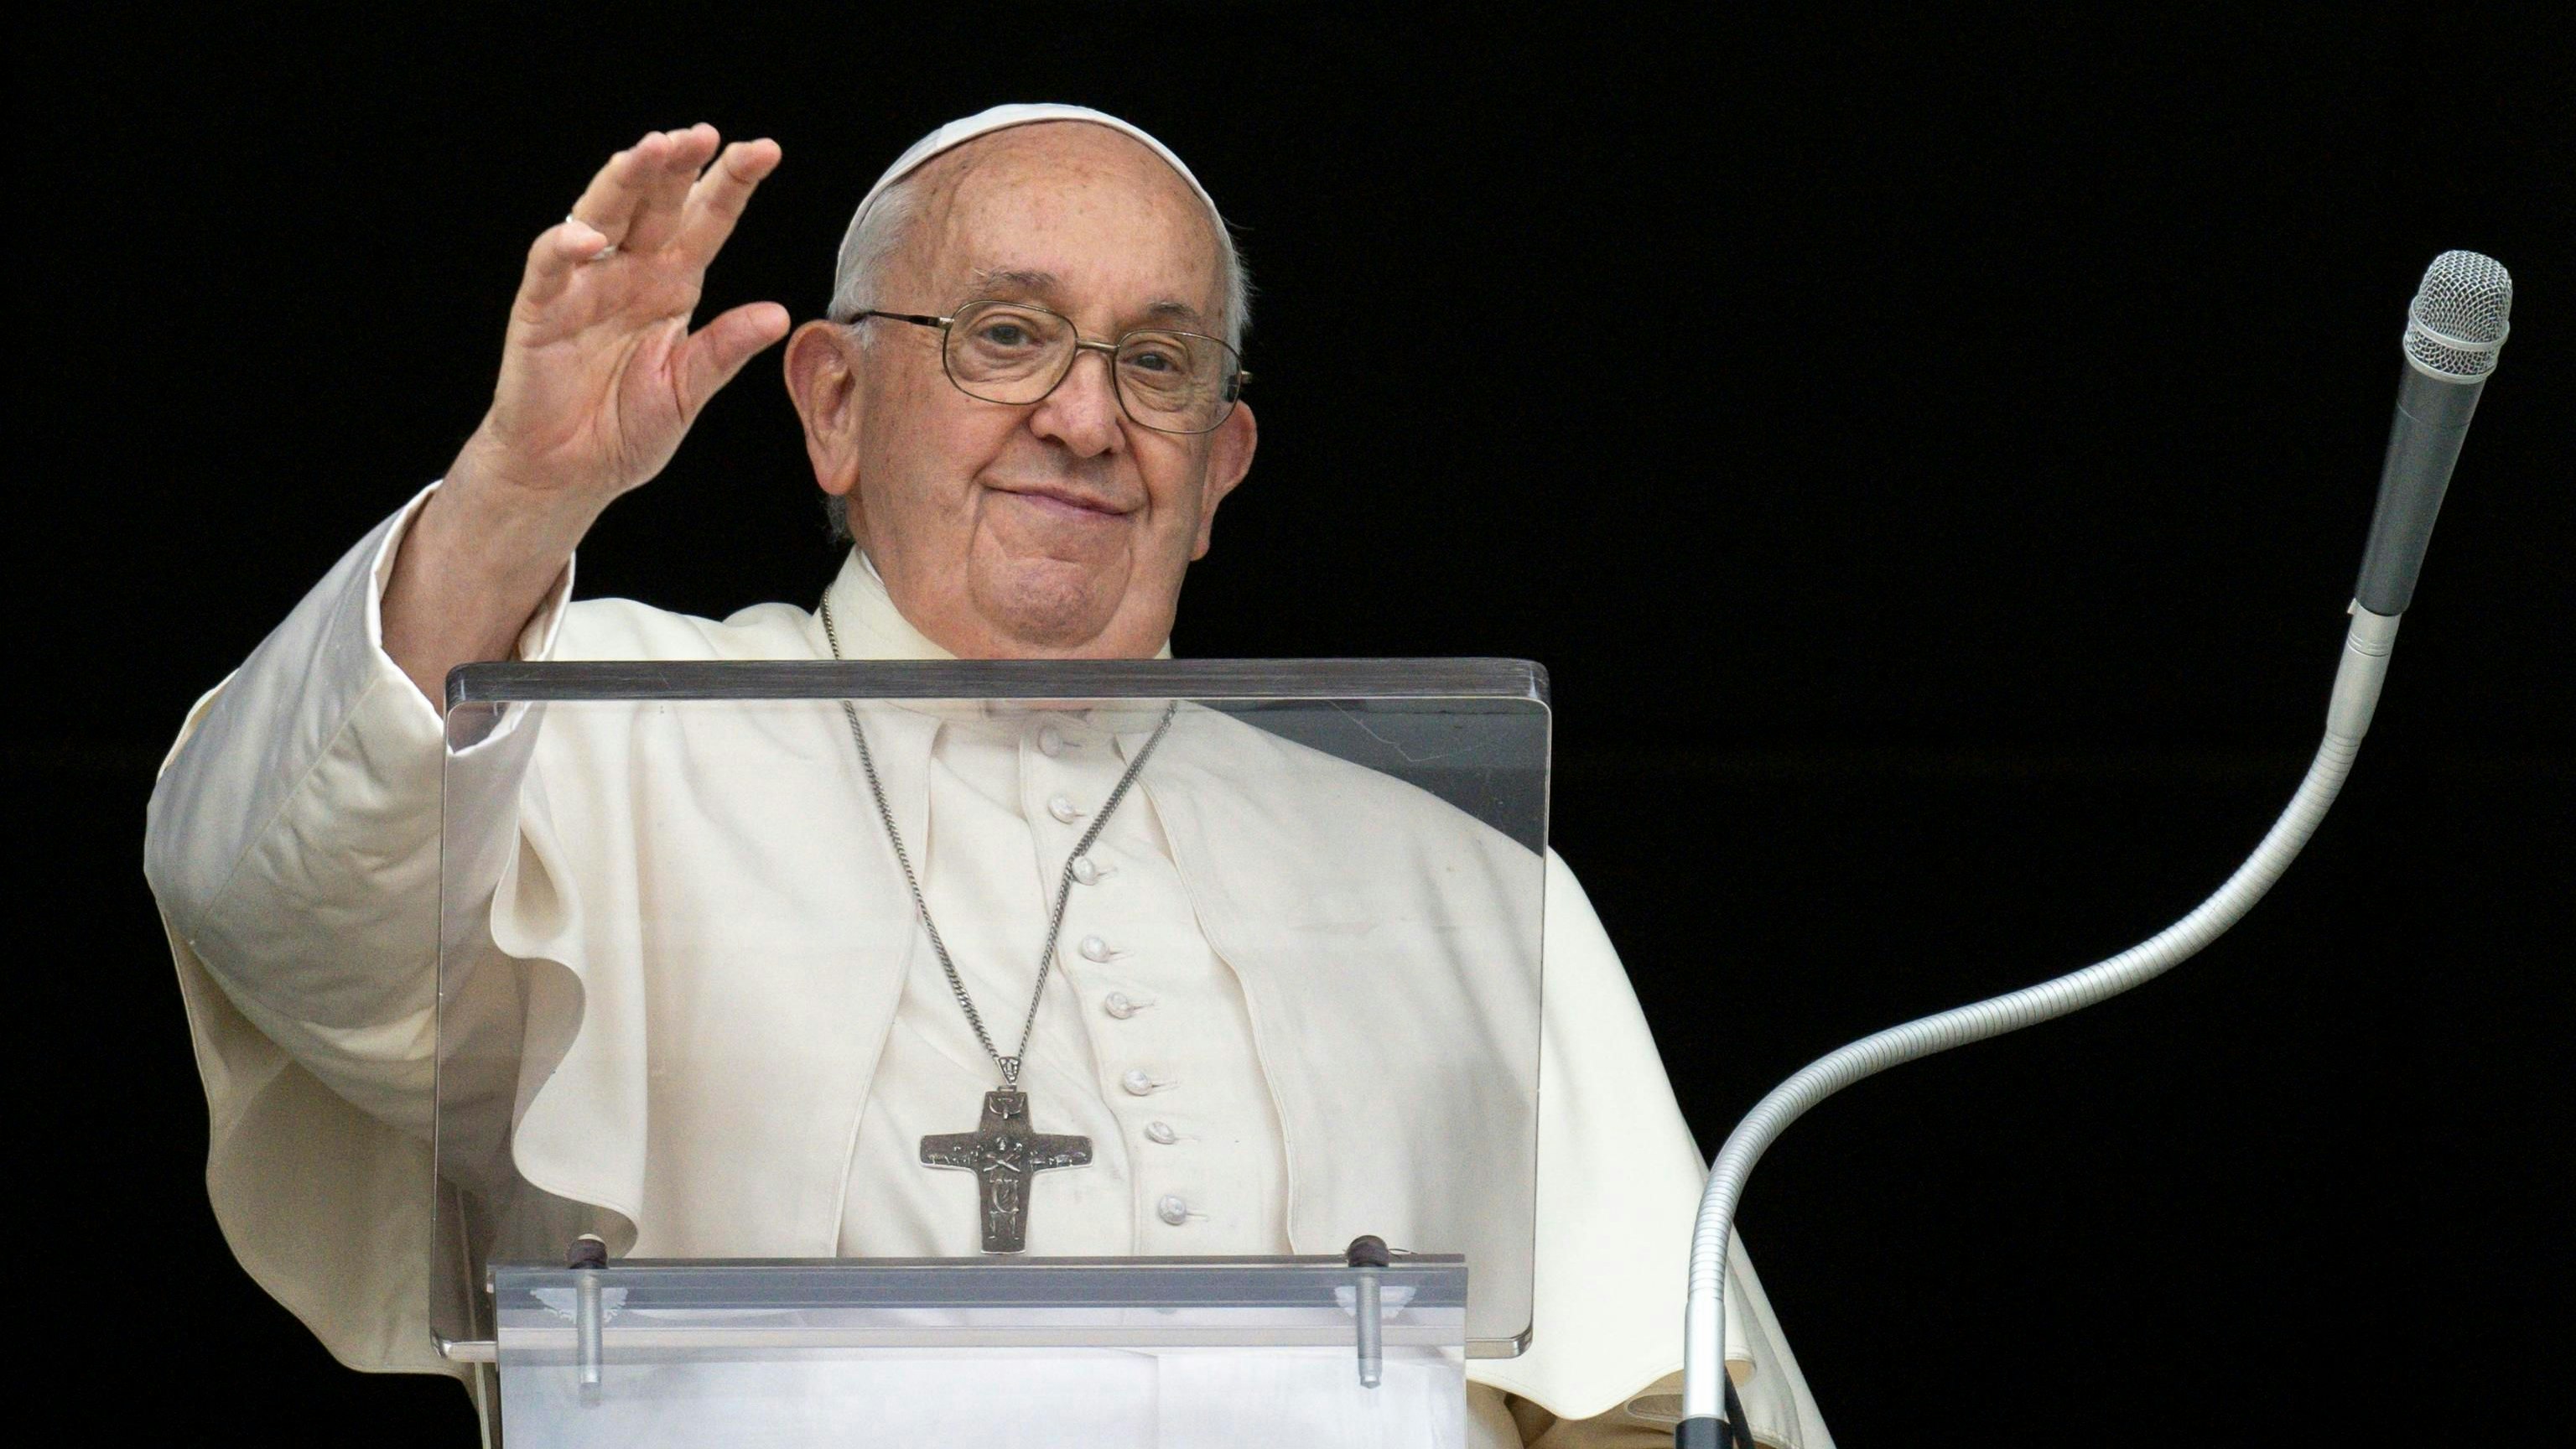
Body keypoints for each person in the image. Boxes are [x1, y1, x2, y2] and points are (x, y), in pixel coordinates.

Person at [143, 105, 1833, 1448]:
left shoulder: (1457, 880)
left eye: (1158, 363)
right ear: (831, 405)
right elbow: (269, 900)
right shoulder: (589, 728)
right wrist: (513, 501)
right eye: (1007, 336)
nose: (1087, 420)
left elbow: (1660, 1396)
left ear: (1222, 464)